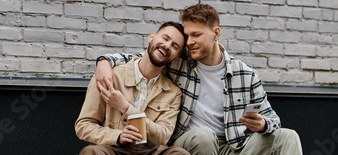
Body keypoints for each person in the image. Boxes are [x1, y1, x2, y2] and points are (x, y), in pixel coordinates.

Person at [95, 4, 303, 155]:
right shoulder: (180, 61)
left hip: (235, 146)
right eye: (187, 36)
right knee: (204, 135)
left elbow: (273, 119)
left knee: (288, 136)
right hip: (192, 143)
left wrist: (263, 124)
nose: (190, 42)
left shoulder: (245, 74)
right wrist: (104, 61)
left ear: (216, 33)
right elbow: (144, 57)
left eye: (196, 35)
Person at [75, 22, 190, 155]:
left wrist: (125, 107)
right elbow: (84, 125)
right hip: (112, 147)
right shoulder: (108, 76)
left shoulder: (173, 93)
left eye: (175, 46)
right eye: (165, 38)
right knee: (92, 152)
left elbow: (162, 136)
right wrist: (117, 136)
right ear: (151, 37)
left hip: (150, 150)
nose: (167, 45)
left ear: (175, 58)